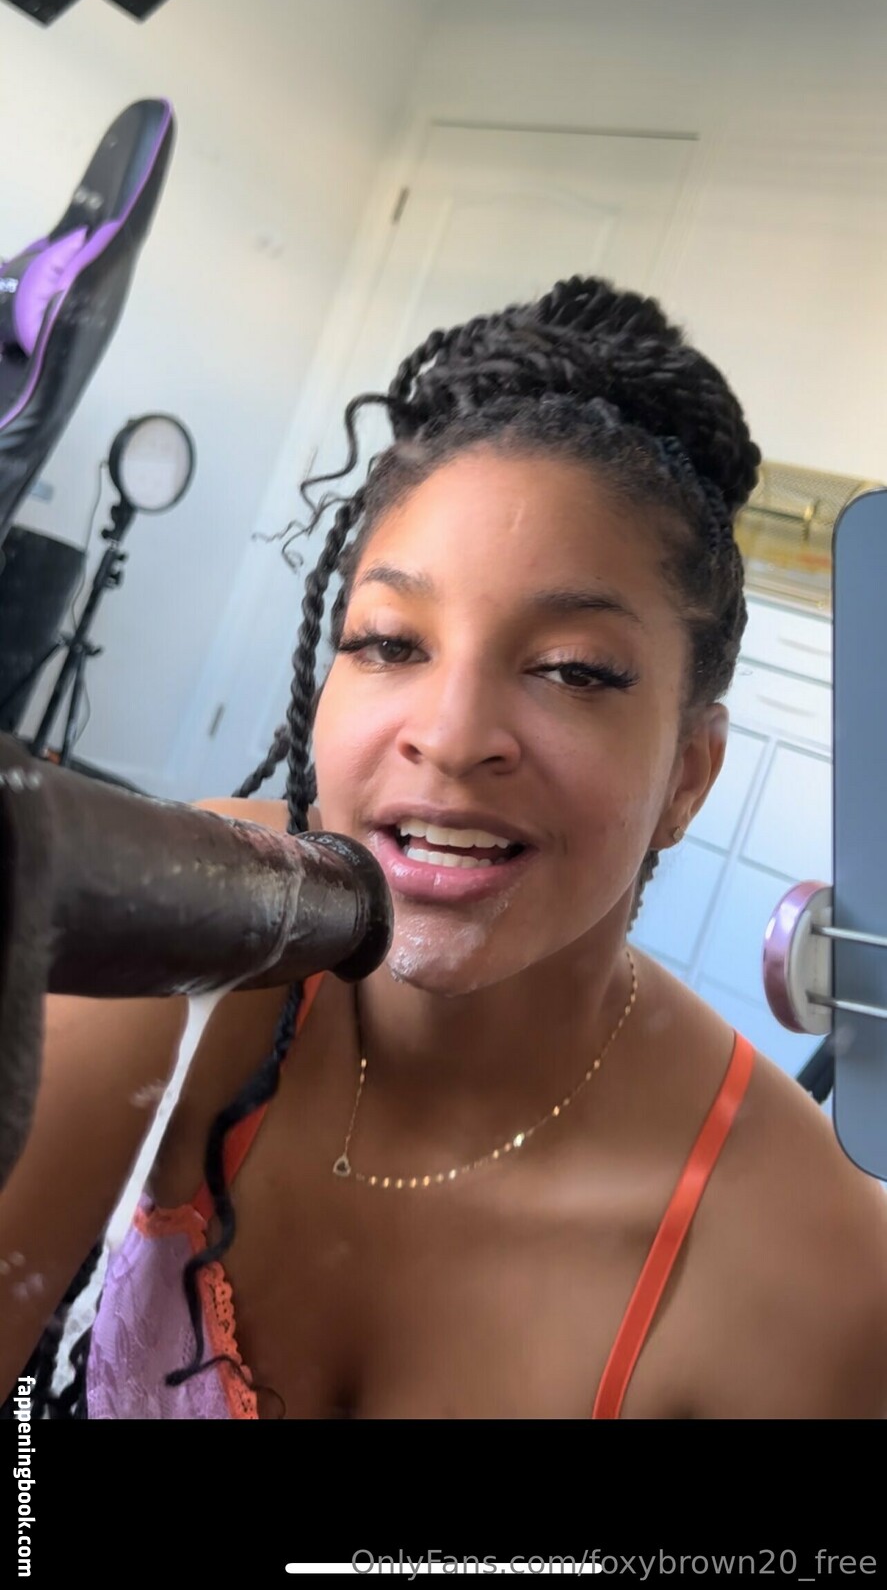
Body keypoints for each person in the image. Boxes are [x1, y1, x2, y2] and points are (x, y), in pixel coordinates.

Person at [3, 275, 887, 1420]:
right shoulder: (196, 927)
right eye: (389, 642)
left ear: (687, 774)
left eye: (571, 669)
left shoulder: (811, 1271)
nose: (452, 736)